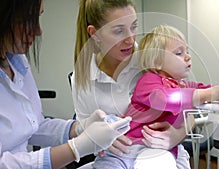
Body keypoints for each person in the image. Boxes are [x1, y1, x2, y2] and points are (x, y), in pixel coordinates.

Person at [0, 0, 132, 168]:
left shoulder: (16, 61)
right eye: (27, 20)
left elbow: (34, 126)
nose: (39, 31)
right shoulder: (82, 76)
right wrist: (76, 148)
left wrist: (79, 128)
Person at [92, 24, 219, 169]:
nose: (188, 57)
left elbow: (213, 91)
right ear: (156, 62)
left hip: (156, 148)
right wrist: (205, 95)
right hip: (124, 148)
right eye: (179, 53)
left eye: (187, 51)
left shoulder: (186, 86)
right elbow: (163, 99)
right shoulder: (149, 81)